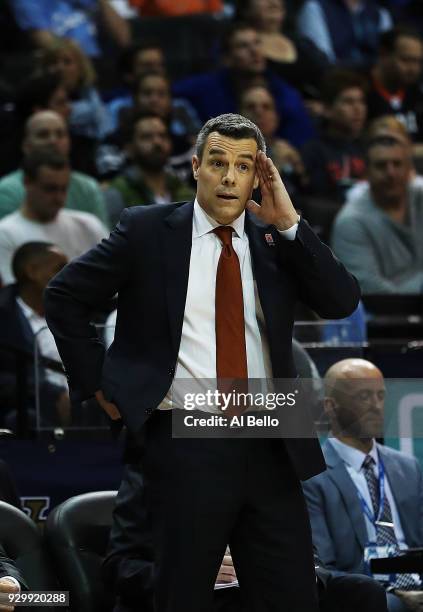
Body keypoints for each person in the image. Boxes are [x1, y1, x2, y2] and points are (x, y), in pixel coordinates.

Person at [44, 113, 360, 612]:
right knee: (184, 596)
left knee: (293, 596)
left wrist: (291, 223)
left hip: (271, 431)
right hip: (186, 432)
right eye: (218, 162)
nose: (230, 177)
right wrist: (104, 387)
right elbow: (63, 296)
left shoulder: (278, 242)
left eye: (242, 166)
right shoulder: (147, 230)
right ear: (196, 167)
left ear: (260, 176)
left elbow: (342, 301)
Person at [303, 358, 423, 612]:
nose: (376, 406)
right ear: (331, 406)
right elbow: (322, 567)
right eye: (363, 397)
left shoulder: (408, 467)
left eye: (381, 396)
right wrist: (395, 594)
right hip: (362, 588)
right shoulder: (312, 474)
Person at [172, 23, 315, 147]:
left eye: (257, 43)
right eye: (243, 46)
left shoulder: (284, 94)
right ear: (226, 59)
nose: (254, 51)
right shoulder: (206, 87)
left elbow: (302, 142)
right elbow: (168, 95)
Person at [331, 135, 423, 294]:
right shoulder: (351, 222)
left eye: (397, 164)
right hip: (387, 315)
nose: (391, 173)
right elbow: (372, 293)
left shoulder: (420, 198)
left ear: (409, 169)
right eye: (381, 166)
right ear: (366, 172)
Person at [0, 149, 107, 285]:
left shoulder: (88, 224)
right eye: (50, 189)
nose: (59, 198)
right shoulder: (5, 233)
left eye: (63, 189)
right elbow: (14, 294)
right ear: (27, 182)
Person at [0, 242, 70, 430]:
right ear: (31, 271)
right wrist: (52, 394)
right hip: (30, 409)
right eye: (60, 268)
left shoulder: (78, 312)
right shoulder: (4, 317)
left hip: (87, 406)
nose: (70, 275)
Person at [0, 110, 109, 226]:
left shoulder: (88, 187)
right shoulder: (6, 191)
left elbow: (103, 239)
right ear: (26, 146)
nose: (53, 141)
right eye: (43, 135)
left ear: (69, 143)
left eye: (60, 134)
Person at [104, 113, 194, 226]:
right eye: (146, 137)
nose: (157, 142)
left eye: (163, 136)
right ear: (129, 148)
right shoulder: (118, 192)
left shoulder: (184, 190)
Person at [301, 69, 367, 204]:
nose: (358, 108)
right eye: (348, 102)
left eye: (361, 101)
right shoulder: (313, 151)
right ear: (328, 109)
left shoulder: (368, 147)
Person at [237, 0, 330, 95]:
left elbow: (329, 75)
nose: (273, 2)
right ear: (245, 8)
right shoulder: (240, 46)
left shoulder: (302, 43)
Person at [7, 0, 130, 58]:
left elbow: (123, 39)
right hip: (67, 74)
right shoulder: (27, 2)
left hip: (106, 65)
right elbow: (44, 41)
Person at [367, 27, 423, 148]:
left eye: (418, 62)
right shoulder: (362, 92)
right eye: (406, 60)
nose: (414, 69)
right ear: (383, 54)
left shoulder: (416, 92)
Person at [297, 0, 392, 69]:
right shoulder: (315, 8)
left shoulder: (380, 13)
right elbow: (324, 62)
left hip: (375, 80)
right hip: (336, 81)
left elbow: (388, 60)